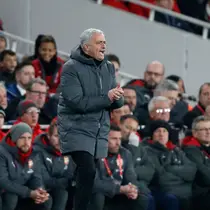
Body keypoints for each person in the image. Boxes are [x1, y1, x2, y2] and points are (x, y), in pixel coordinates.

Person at [57, 28, 124, 210]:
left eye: (104, 41)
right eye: (99, 42)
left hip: (98, 130)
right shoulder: (70, 67)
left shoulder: (109, 67)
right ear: (86, 48)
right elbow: (76, 102)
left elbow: (116, 102)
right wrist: (108, 97)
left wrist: (118, 97)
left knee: (86, 175)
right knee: (88, 170)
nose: (104, 45)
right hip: (75, 127)